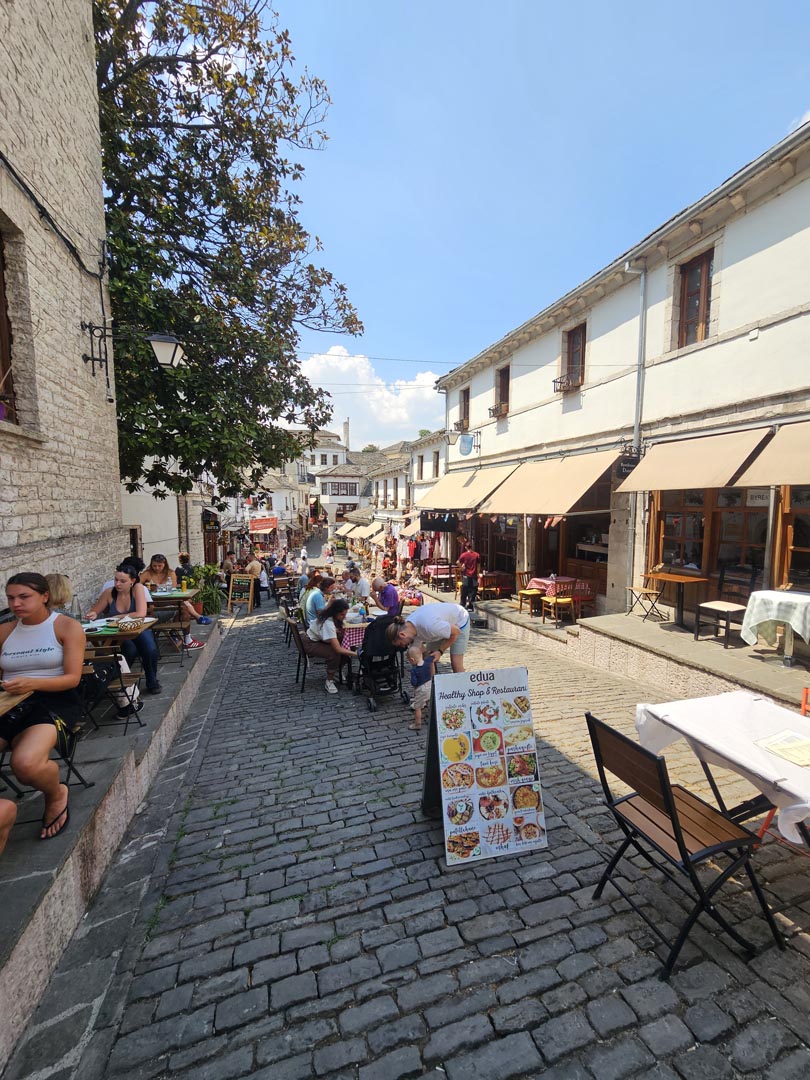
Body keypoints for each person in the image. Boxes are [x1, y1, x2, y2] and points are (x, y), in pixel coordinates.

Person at [0, 572, 86, 838]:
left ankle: (55, 792)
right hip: (9, 703)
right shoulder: (4, 631)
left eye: (24, 597)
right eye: (10, 598)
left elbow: (72, 679)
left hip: (53, 700)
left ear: (44, 596)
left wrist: (32, 682)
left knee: (25, 764)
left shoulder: (66, 627)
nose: (16, 604)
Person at [86, 565, 163, 693]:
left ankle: (152, 680)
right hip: (117, 633)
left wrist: (117, 617)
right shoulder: (109, 593)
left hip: (138, 627)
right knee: (129, 649)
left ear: (132, 581)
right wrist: (93, 614)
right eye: (116, 580)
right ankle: (120, 681)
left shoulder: (137, 588)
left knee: (149, 648)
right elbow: (95, 611)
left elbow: (141, 613)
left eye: (123, 581)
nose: (118, 584)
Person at [141, 554, 207, 646]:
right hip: (153, 605)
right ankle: (186, 637)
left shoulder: (170, 573)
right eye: (154, 566)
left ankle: (180, 634)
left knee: (184, 607)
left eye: (160, 566)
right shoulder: (147, 574)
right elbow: (138, 586)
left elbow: (173, 588)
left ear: (165, 564)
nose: (157, 568)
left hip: (167, 600)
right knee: (184, 607)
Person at [387, 601, 471, 673]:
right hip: (440, 626)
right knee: (430, 657)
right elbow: (424, 655)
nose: (403, 646)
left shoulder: (430, 626)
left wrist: (440, 651)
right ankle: (432, 683)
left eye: (400, 644)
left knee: (456, 663)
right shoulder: (409, 628)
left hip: (459, 621)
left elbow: (456, 632)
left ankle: (464, 686)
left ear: (402, 634)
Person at [303, 598, 357, 694]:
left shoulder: (329, 616)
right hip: (310, 643)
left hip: (318, 639)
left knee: (347, 644)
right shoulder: (328, 623)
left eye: (345, 614)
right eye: (342, 615)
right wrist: (356, 654)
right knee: (334, 653)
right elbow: (338, 649)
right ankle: (329, 679)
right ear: (335, 613)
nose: (344, 617)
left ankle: (337, 670)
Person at [406, 643, 434, 732]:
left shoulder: (414, 670)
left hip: (421, 689)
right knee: (429, 702)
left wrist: (415, 686)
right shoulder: (427, 663)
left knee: (417, 707)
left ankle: (417, 724)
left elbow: (414, 682)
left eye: (409, 661)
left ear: (412, 659)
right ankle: (433, 718)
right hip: (430, 685)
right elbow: (432, 658)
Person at [457, 541, 481, 612]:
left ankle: (462, 604)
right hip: (474, 575)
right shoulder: (477, 555)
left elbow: (457, 562)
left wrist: (462, 568)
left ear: (466, 547)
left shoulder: (464, 555)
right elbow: (478, 565)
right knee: (473, 591)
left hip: (466, 575)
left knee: (464, 590)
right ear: (471, 547)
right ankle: (470, 606)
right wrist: (478, 573)